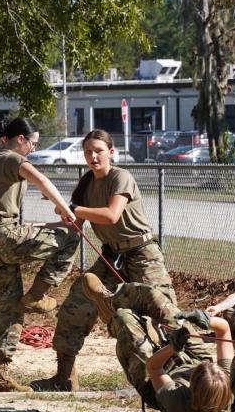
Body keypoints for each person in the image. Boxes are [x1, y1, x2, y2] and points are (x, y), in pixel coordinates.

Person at [37, 129, 174, 391]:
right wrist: (36, 225)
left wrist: (72, 209)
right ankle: (64, 378)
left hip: (142, 253)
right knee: (76, 304)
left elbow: (112, 215)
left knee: (165, 314)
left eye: (98, 150)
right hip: (112, 254)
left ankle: (179, 377)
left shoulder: (120, 177)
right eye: (88, 151)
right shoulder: (87, 182)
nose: (92, 156)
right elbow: (74, 224)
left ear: (111, 152)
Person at [0, 117, 80, 392]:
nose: (33, 148)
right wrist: (65, 211)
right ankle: (38, 293)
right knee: (70, 237)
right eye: (33, 142)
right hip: (1, 238)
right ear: (20, 138)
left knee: (9, 309)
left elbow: (9, 216)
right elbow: (41, 178)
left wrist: (51, 222)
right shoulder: (9, 157)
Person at [80, 273, 232, 412]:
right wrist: (206, 319)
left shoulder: (177, 401)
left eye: (198, 371)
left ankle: (109, 312)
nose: (211, 364)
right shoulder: (223, 382)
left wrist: (173, 347)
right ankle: (111, 300)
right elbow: (224, 330)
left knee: (124, 318)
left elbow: (153, 367)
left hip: (154, 380)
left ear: (192, 387)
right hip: (191, 358)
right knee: (164, 306)